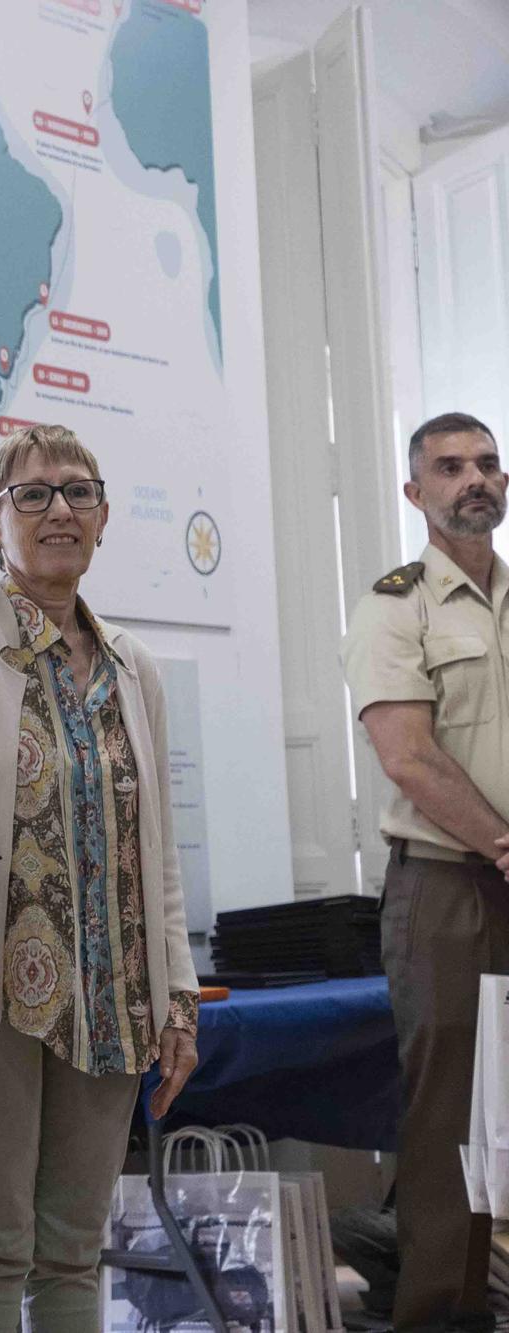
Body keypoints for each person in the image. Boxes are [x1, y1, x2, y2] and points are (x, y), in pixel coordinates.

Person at [0, 424, 199, 1331]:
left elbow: (158, 847)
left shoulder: (133, 666)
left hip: (110, 995)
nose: (59, 509)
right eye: (33, 494)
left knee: (73, 1247)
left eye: (78, 492)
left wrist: (175, 996)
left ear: (103, 518)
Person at [342, 411, 509, 1333]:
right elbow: (408, 755)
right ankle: (442, 1319)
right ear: (416, 494)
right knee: (455, 1126)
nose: (472, 479)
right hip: (447, 889)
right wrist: (503, 844)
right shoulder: (393, 606)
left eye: (487, 463)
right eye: (449, 468)